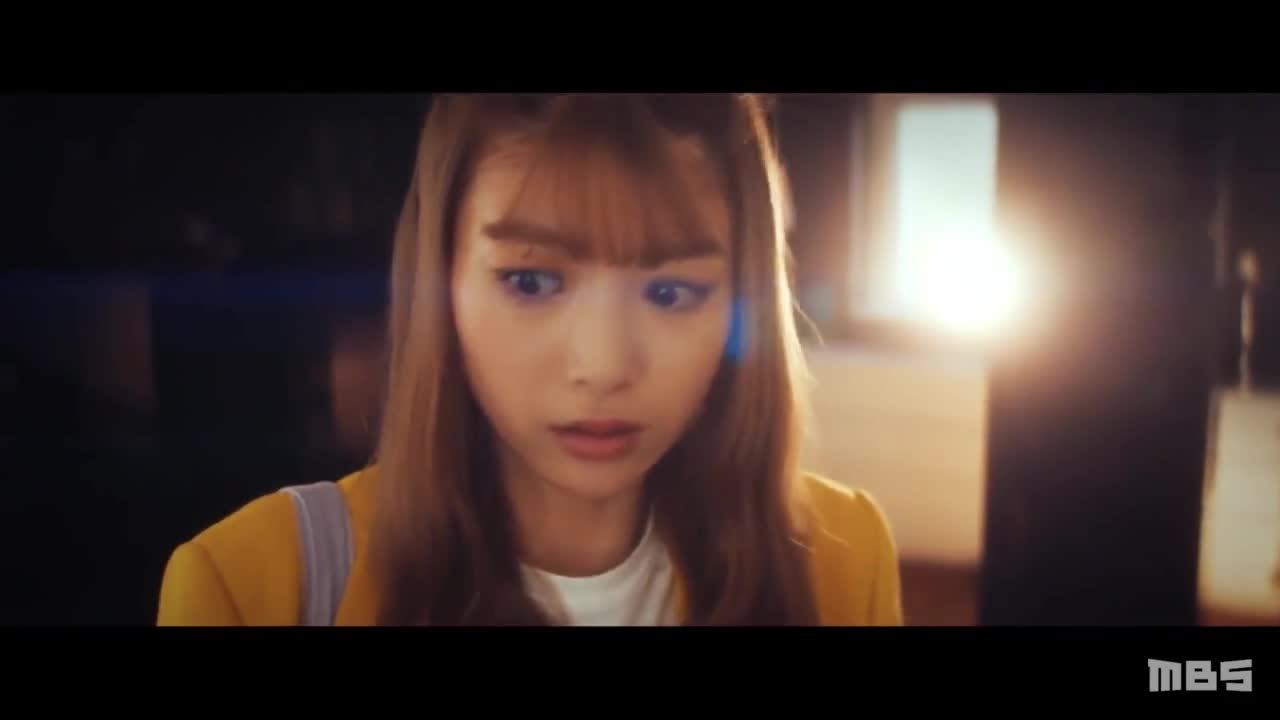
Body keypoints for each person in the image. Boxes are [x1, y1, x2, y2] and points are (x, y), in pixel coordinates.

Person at [155, 94, 904, 626]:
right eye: (532, 282)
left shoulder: (839, 560)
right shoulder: (258, 584)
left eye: (671, 291)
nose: (603, 366)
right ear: (442, 280)